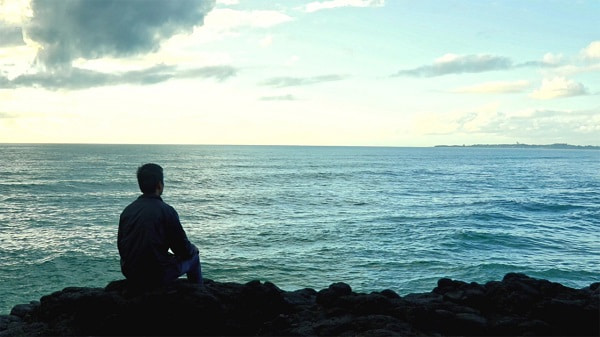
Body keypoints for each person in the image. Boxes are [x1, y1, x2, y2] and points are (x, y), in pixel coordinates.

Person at [118, 163, 203, 287]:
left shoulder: (127, 211)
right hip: (156, 275)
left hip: (130, 272)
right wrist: (193, 249)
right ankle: (199, 293)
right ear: (159, 185)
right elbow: (181, 248)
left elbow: (121, 247)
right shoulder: (166, 211)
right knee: (194, 258)